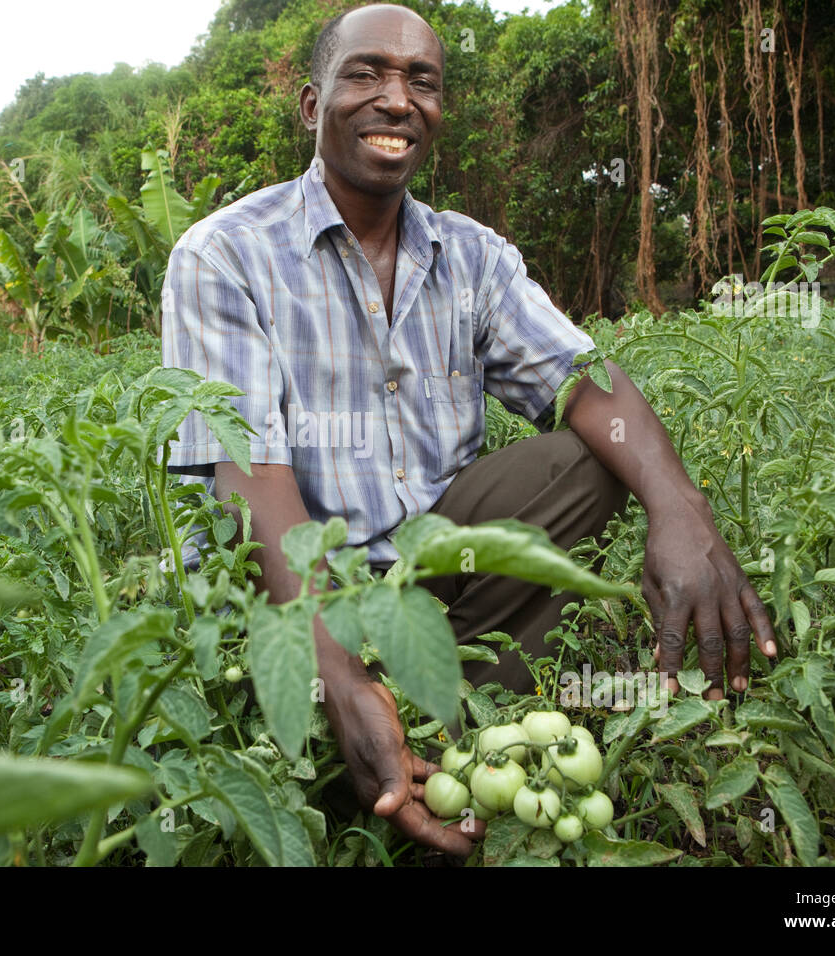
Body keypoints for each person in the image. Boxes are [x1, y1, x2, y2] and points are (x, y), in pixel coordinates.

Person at [160, 2, 777, 857]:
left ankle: (450, 732)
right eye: (366, 73)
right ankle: (364, 723)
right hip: (292, 588)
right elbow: (249, 476)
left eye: (422, 80)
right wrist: (339, 669)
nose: (397, 99)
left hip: (428, 574)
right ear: (312, 105)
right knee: (313, 688)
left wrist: (683, 512)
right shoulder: (225, 254)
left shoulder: (473, 256)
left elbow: (585, 387)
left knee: (591, 458)